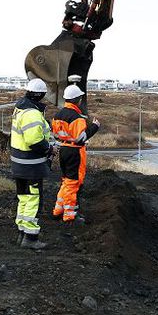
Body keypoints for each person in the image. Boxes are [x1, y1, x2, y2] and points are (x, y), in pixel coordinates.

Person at [10, 78, 54, 250]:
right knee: (33, 200)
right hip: (31, 165)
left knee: (24, 198)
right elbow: (34, 141)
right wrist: (49, 149)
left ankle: (22, 233)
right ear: (40, 94)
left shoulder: (20, 108)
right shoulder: (32, 113)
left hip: (20, 164)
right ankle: (30, 238)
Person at [51, 84, 100, 225]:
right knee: (73, 183)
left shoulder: (57, 115)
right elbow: (81, 137)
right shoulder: (77, 118)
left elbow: (55, 135)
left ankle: (58, 210)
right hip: (75, 152)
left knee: (66, 181)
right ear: (77, 99)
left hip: (63, 149)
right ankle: (69, 216)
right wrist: (95, 127)